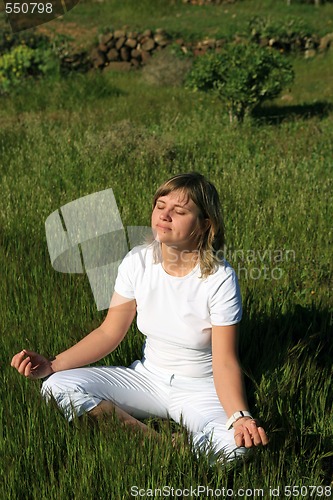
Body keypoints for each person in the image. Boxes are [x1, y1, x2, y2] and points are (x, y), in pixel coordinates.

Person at [11, 172, 268, 463]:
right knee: (56, 386)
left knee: (235, 447)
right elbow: (110, 332)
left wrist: (239, 415)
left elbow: (224, 361)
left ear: (204, 224)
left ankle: (141, 439)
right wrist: (52, 364)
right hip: (147, 378)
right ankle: (160, 444)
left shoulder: (219, 278)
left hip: (200, 388)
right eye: (160, 206)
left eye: (180, 211)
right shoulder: (138, 261)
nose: (165, 215)